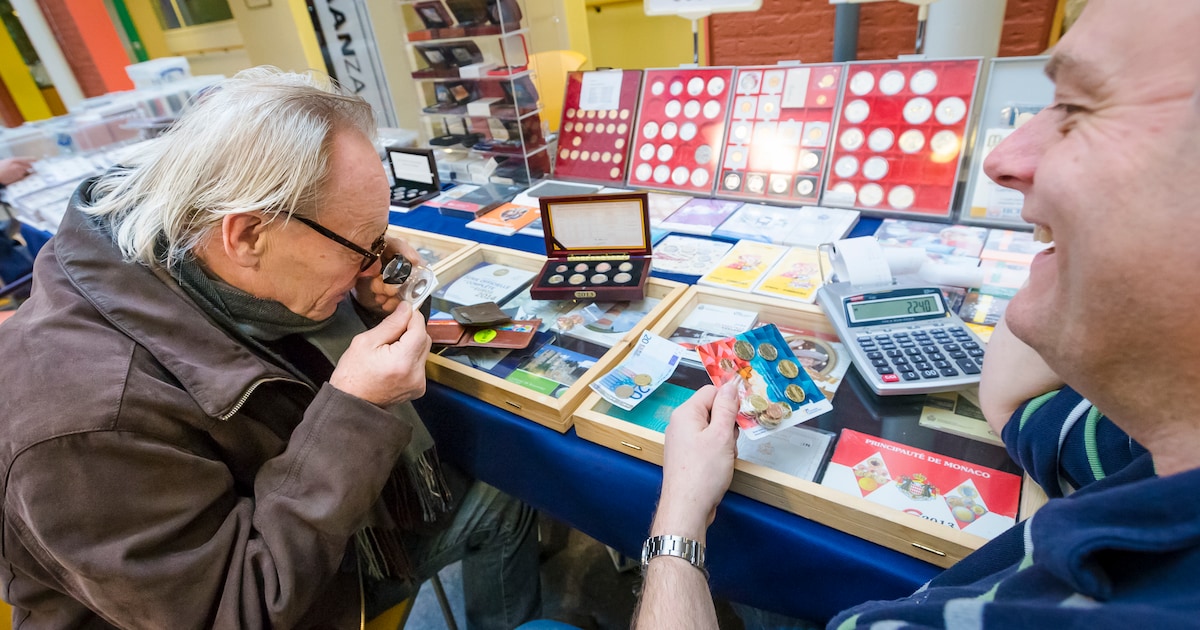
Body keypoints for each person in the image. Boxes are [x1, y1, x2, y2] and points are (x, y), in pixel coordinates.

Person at [635, 1, 1200, 627]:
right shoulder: (1138, 444)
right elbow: (1012, 403)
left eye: (1079, 108)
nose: (1002, 157)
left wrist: (679, 517)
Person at [0, 67, 541, 628]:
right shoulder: (86, 425)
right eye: (360, 244)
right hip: (275, 596)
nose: (375, 259)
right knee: (503, 504)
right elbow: (236, 610)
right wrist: (356, 413)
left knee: (503, 495)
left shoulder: (185, 254)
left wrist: (369, 303)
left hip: (289, 526)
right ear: (247, 235)